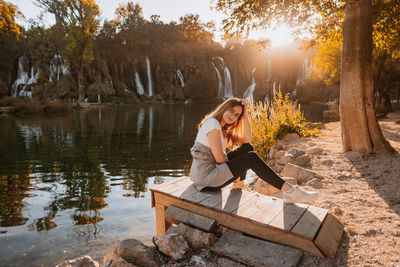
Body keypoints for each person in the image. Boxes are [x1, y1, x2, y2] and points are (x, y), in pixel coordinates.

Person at [189, 97, 318, 204]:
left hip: (207, 174)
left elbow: (247, 140)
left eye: (237, 115)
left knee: (247, 149)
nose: (233, 116)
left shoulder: (221, 128)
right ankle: (290, 191)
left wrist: (244, 115)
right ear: (224, 108)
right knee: (250, 158)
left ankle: (238, 187)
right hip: (206, 178)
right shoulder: (212, 123)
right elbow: (219, 159)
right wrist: (237, 169)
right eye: (231, 110)